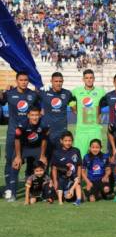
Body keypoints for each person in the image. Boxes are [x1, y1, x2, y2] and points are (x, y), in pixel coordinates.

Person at [0, 71, 39, 199]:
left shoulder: (33, 95)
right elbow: (1, 100)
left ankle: (32, 187)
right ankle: (10, 189)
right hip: (13, 133)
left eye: (26, 80)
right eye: (21, 80)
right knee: (10, 160)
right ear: (17, 81)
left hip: (28, 134)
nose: (24, 82)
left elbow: (39, 111)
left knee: (30, 160)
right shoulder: (9, 94)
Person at [9, 107, 49, 202]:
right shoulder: (22, 124)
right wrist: (18, 157)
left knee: (43, 167)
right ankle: (13, 194)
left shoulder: (44, 124)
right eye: (32, 115)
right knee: (15, 165)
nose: (34, 117)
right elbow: (17, 140)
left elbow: (44, 141)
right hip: (24, 148)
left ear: (40, 115)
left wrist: (42, 156)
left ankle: (43, 193)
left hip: (37, 148)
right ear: (28, 115)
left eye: (36, 115)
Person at [71, 69, 106, 156]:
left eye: (91, 78)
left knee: (96, 157)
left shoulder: (101, 92)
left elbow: (104, 106)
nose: (89, 80)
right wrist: (75, 110)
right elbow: (70, 102)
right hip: (81, 130)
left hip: (95, 129)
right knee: (80, 157)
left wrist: (99, 115)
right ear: (83, 79)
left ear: (94, 79)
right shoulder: (76, 91)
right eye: (86, 78)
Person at [37, 72, 74, 151]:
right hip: (47, 131)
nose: (58, 83)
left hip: (61, 132)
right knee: (45, 158)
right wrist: (40, 109)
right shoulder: (44, 92)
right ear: (51, 81)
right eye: (56, 81)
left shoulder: (68, 94)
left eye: (60, 81)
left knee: (60, 160)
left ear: (63, 81)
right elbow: (31, 99)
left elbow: (74, 106)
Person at [51, 131, 82, 206]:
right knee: (58, 195)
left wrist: (79, 178)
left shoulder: (76, 151)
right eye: (66, 141)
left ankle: (77, 197)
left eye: (70, 140)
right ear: (61, 141)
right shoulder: (56, 152)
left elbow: (79, 166)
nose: (68, 143)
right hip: (61, 179)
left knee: (69, 198)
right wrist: (55, 181)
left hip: (73, 179)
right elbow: (54, 168)